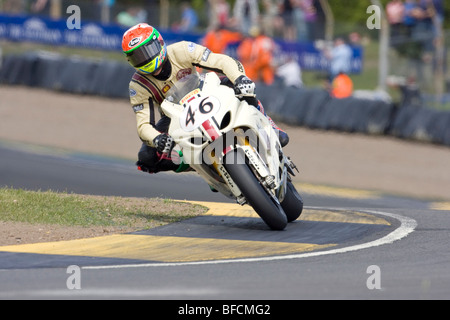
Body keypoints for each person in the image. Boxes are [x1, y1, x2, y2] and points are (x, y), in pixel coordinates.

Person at [122, 23, 289, 175]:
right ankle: (202, 166)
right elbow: (143, 125)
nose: (146, 60)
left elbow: (220, 60)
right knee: (146, 157)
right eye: (138, 57)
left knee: (241, 86)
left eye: (148, 52)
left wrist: (239, 78)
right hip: (174, 115)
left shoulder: (181, 50)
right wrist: (156, 138)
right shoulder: (138, 86)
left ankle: (269, 127)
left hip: (205, 90)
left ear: (159, 43)